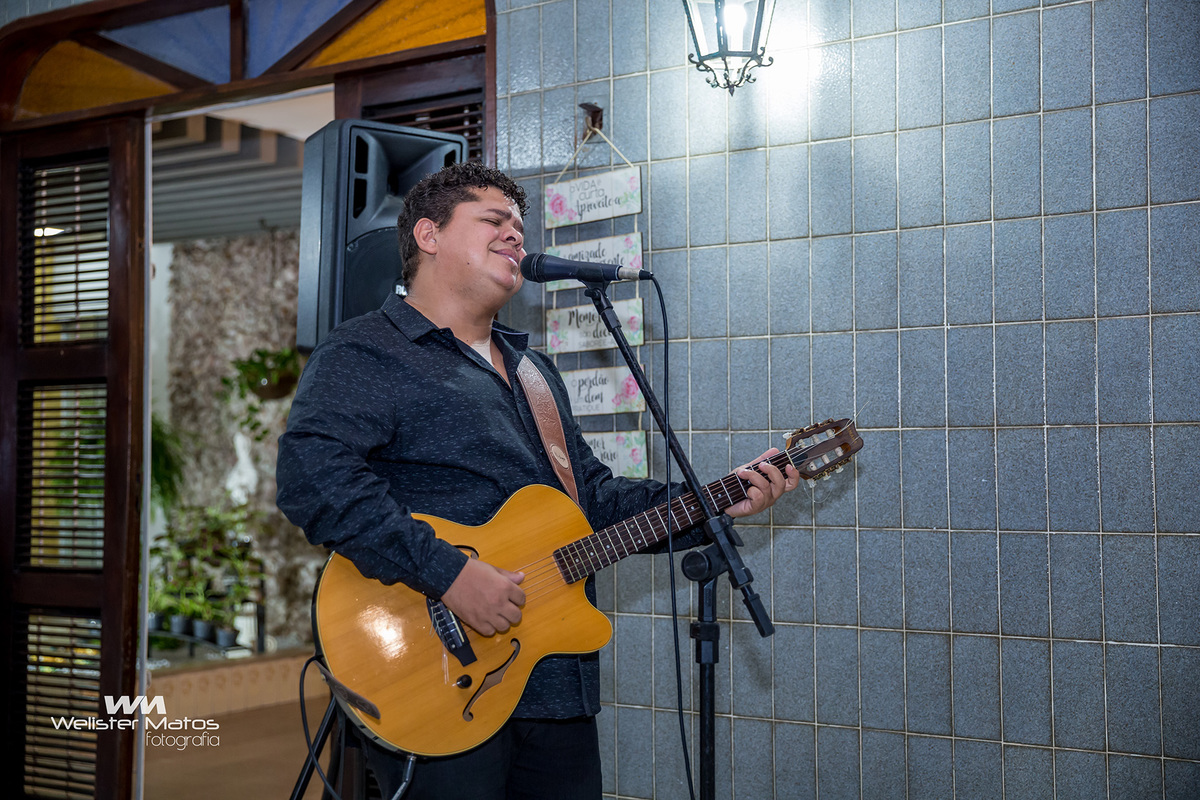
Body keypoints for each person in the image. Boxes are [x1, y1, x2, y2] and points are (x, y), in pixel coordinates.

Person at [275, 161, 799, 799]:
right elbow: (313, 480)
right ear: (428, 235)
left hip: (555, 685)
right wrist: (449, 574)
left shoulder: (535, 372)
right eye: (493, 221)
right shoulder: (367, 350)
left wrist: (716, 500)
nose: (515, 236)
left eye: (519, 227)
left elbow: (596, 504)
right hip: (436, 684)